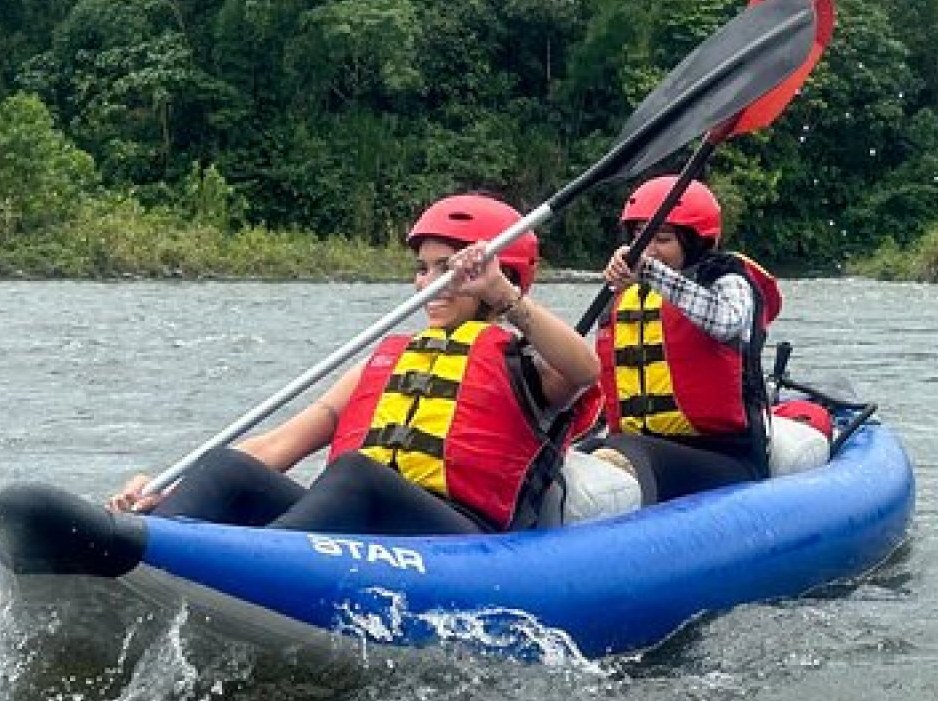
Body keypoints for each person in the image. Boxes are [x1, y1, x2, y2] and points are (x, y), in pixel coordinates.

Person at [108, 194, 601, 535]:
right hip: (355, 521)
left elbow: (585, 370)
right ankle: (150, 540)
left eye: (448, 270)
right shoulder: (387, 360)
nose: (426, 283)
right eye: (423, 268)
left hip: (458, 537)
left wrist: (505, 296)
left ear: (501, 275)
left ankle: (254, 569)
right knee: (226, 467)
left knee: (356, 474)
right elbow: (280, 444)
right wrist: (168, 489)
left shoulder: (530, 363)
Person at [588, 177, 781, 502]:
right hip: (644, 450)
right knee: (586, 451)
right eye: (639, 238)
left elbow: (726, 323)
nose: (647, 250)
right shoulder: (626, 294)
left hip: (725, 459)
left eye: (661, 239)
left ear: (694, 241)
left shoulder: (728, 279)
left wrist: (649, 271)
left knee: (626, 450)